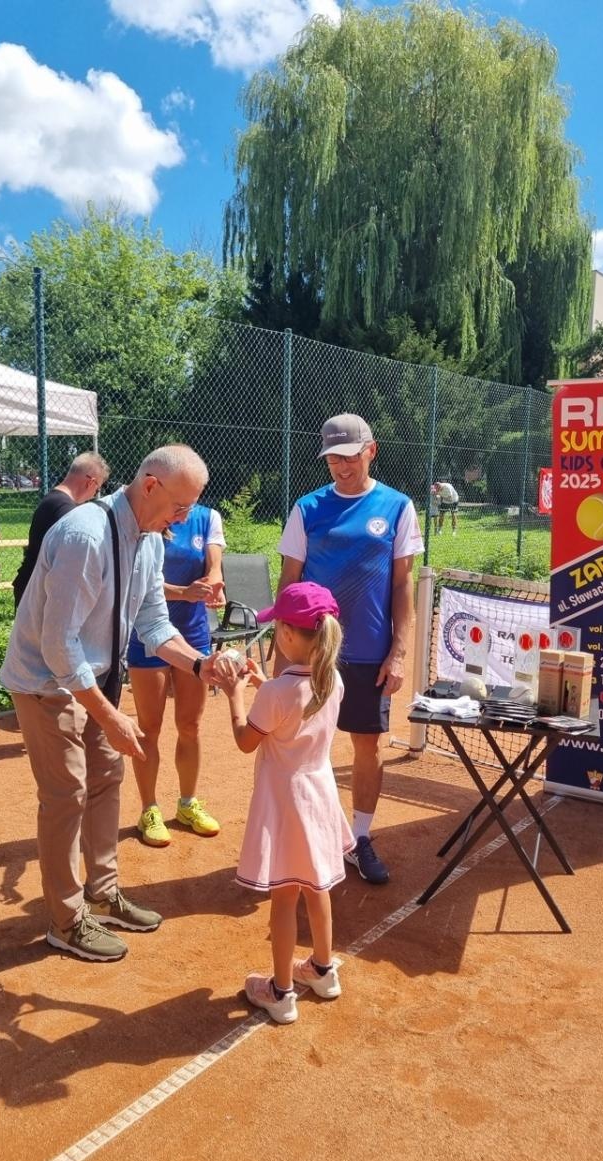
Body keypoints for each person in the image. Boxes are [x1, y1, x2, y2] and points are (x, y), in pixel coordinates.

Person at [0, 445, 222, 963]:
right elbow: (59, 647)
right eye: (180, 506)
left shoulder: (149, 542)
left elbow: (155, 625)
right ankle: (65, 920)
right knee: (66, 794)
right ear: (150, 486)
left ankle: (103, 892)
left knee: (107, 778)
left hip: (93, 676)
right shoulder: (84, 535)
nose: (184, 518)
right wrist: (110, 714)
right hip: (43, 682)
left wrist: (199, 665)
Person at [276, 413, 424, 885]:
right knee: (297, 746)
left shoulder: (398, 507)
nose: (340, 466)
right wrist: (283, 663)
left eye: (349, 456)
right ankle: (299, 834)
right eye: (332, 458)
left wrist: (398, 651)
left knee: (367, 745)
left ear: (370, 451)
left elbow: (403, 587)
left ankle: (359, 839)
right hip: (311, 653)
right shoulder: (307, 508)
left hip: (369, 652)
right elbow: (288, 582)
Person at [218, 582, 355, 1025]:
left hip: (285, 803)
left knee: (284, 897)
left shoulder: (276, 693)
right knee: (318, 887)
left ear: (291, 636)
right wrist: (265, 686)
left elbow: (245, 741)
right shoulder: (332, 680)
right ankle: (322, 968)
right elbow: (293, 705)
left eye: (278, 625)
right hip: (318, 794)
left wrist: (236, 695)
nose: (275, 630)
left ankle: (280, 992)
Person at [128, 504, 226, 845]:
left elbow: (214, 565)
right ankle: (148, 809)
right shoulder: (148, 516)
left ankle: (187, 804)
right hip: (145, 634)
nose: (184, 505)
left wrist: (215, 583)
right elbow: (140, 581)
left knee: (190, 725)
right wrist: (183, 593)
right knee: (148, 727)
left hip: (194, 634)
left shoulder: (207, 517)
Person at [12, 451, 110, 608]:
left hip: (32, 586)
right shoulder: (66, 509)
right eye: (97, 489)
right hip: (39, 594)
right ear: (90, 483)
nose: (94, 495)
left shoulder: (53, 501)